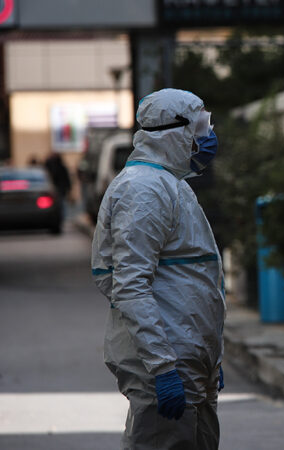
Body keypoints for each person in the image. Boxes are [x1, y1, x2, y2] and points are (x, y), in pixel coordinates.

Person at [90, 88, 225, 449]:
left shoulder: (168, 184)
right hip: (167, 362)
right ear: (174, 131)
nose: (207, 136)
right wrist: (163, 368)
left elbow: (188, 278)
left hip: (187, 360)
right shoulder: (144, 190)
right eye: (200, 126)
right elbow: (130, 286)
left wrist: (209, 356)